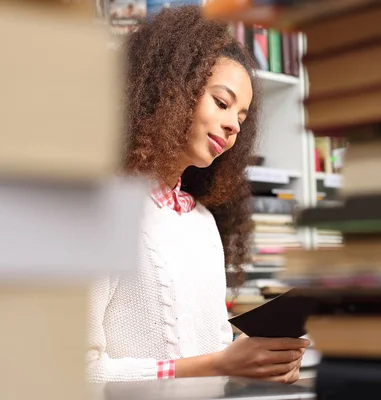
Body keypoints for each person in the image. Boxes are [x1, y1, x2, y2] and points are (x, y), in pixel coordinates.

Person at [87, 5, 309, 383]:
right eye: (222, 103)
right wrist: (220, 364)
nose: (232, 126)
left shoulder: (202, 222)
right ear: (169, 89)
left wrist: (257, 363)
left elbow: (212, 350)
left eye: (241, 118)